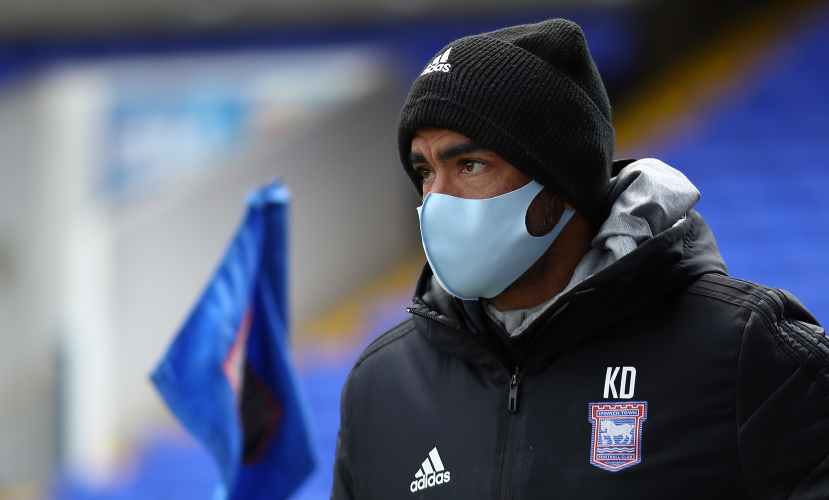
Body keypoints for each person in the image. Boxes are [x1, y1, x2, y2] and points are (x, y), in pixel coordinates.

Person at [331, 19, 829, 499]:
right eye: (424, 171)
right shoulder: (380, 388)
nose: (437, 201)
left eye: (470, 165)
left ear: (561, 181)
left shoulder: (744, 352)